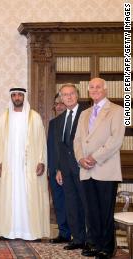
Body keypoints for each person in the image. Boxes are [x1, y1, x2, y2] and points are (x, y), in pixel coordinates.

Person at [74, 78, 125, 258]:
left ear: (105, 90)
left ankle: (107, 247)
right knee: (92, 211)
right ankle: (95, 243)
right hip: (86, 169)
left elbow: (116, 140)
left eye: (98, 87)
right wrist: (80, 158)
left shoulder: (117, 111)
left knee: (105, 211)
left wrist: (94, 157)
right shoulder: (84, 113)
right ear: (88, 91)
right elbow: (78, 140)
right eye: (92, 87)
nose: (94, 90)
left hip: (105, 168)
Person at [0, 88, 50, 241]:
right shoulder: (4, 117)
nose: (17, 97)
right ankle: (8, 231)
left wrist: (41, 161)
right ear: (10, 97)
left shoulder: (35, 117)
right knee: (10, 196)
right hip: (9, 166)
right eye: (14, 95)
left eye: (19, 95)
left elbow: (41, 142)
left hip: (28, 166)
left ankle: (31, 232)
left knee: (28, 196)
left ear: (24, 97)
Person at [54, 84, 89, 250]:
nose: (68, 97)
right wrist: (60, 169)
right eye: (65, 95)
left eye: (72, 94)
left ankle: (91, 240)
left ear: (78, 95)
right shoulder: (60, 119)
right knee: (72, 205)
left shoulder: (87, 114)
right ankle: (78, 239)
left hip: (83, 168)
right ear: (61, 98)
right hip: (67, 170)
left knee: (86, 205)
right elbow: (61, 147)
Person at [47, 93, 71, 244]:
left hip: (71, 171)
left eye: (62, 102)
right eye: (57, 103)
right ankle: (64, 233)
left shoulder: (76, 121)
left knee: (74, 204)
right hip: (55, 172)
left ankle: (79, 235)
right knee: (59, 203)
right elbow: (51, 148)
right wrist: (52, 169)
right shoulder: (53, 123)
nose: (60, 106)